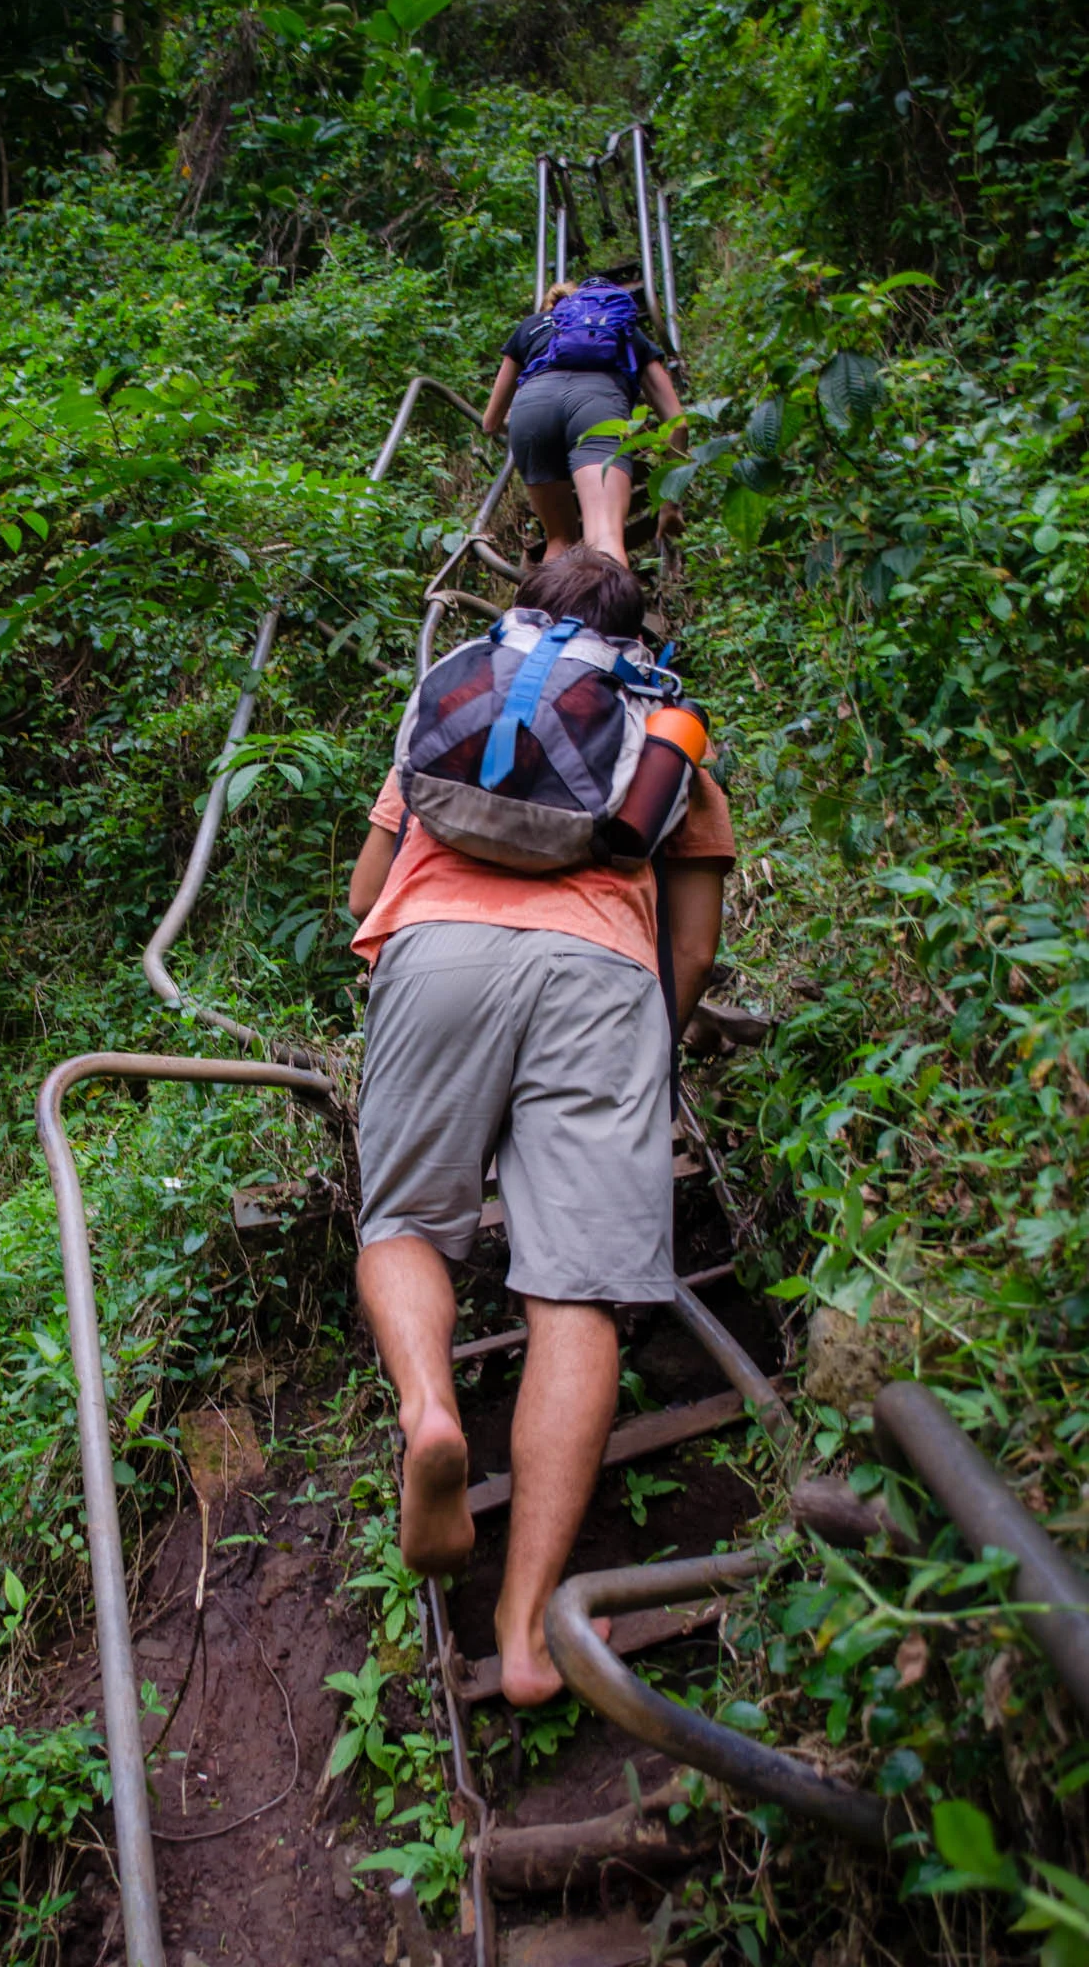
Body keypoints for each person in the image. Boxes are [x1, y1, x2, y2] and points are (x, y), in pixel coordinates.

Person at [347, 548, 734, 1706]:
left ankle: (429, 1410)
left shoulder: (466, 695)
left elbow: (366, 892)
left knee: (407, 1218)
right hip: (600, 975)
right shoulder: (663, 740)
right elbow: (696, 947)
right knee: (576, 1289)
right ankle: (523, 1633)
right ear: (638, 639)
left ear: (525, 618)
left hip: (436, 952)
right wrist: (642, 1049)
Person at [481, 278, 689, 569]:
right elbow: (677, 424)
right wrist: (669, 504)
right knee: (603, 535)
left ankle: (550, 613)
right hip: (598, 404)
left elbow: (490, 423)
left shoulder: (530, 326)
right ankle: (609, 614)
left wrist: (519, 428)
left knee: (560, 541)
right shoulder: (623, 329)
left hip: (532, 407)